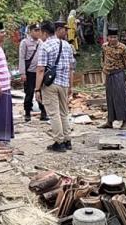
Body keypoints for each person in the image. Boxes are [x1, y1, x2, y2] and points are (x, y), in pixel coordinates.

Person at [35, 20, 76, 153]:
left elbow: (40, 69)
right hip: (64, 83)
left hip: (50, 85)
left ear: (44, 32)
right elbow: (71, 68)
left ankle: (59, 142)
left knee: (54, 114)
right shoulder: (67, 45)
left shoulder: (45, 46)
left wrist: (37, 89)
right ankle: (67, 139)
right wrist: (71, 85)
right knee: (64, 112)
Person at [99, 26, 126, 129]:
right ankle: (110, 122)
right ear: (108, 37)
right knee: (110, 98)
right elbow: (102, 59)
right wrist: (104, 72)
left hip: (119, 74)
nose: (113, 39)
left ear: (117, 38)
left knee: (121, 98)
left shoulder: (122, 47)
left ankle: (125, 122)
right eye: (111, 37)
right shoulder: (104, 47)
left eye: (115, 37)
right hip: (109, 75)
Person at [19, 23, 48, 122]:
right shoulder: (25, 42)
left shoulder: (41, 42)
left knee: (41, 92)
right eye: (35, 30)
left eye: (39, 30)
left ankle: (43, 112)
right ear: (30, 31)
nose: (38, 32)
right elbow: (22, 58)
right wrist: (22, 73)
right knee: (29, 93)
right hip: (30, 72)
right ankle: (27, 112)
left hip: (40, 72)